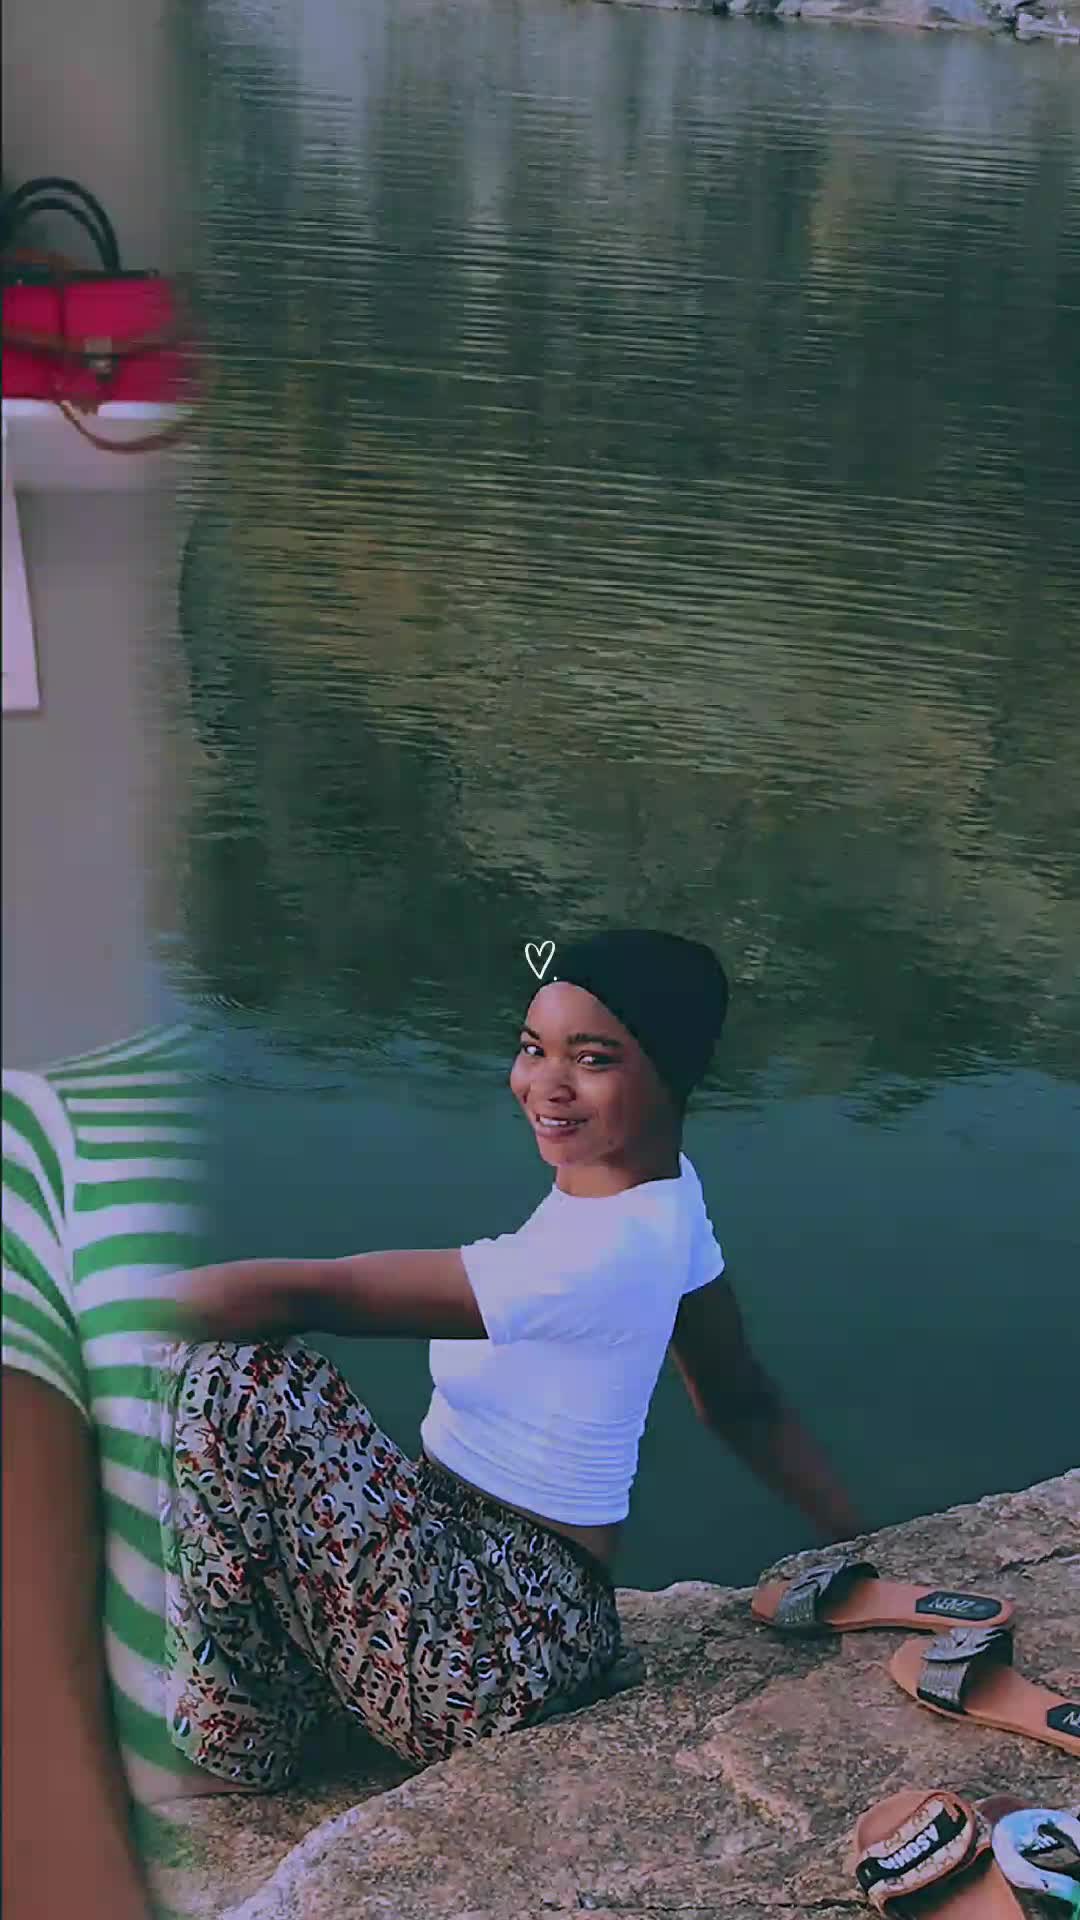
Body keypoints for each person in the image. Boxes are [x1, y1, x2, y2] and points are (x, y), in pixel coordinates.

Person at [160, 929, 861, 1792]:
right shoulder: (662, 1197)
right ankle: (275, 1695)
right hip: (538, 1620)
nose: (544, 1085)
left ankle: (236, 1745)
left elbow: (315, 1294)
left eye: (592, 1059)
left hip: (486, 1655)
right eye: (534, 1048)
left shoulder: (597, 1255)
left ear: (674, 1072)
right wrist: (867, 1543)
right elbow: (739, 1399)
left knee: (229, 1378)